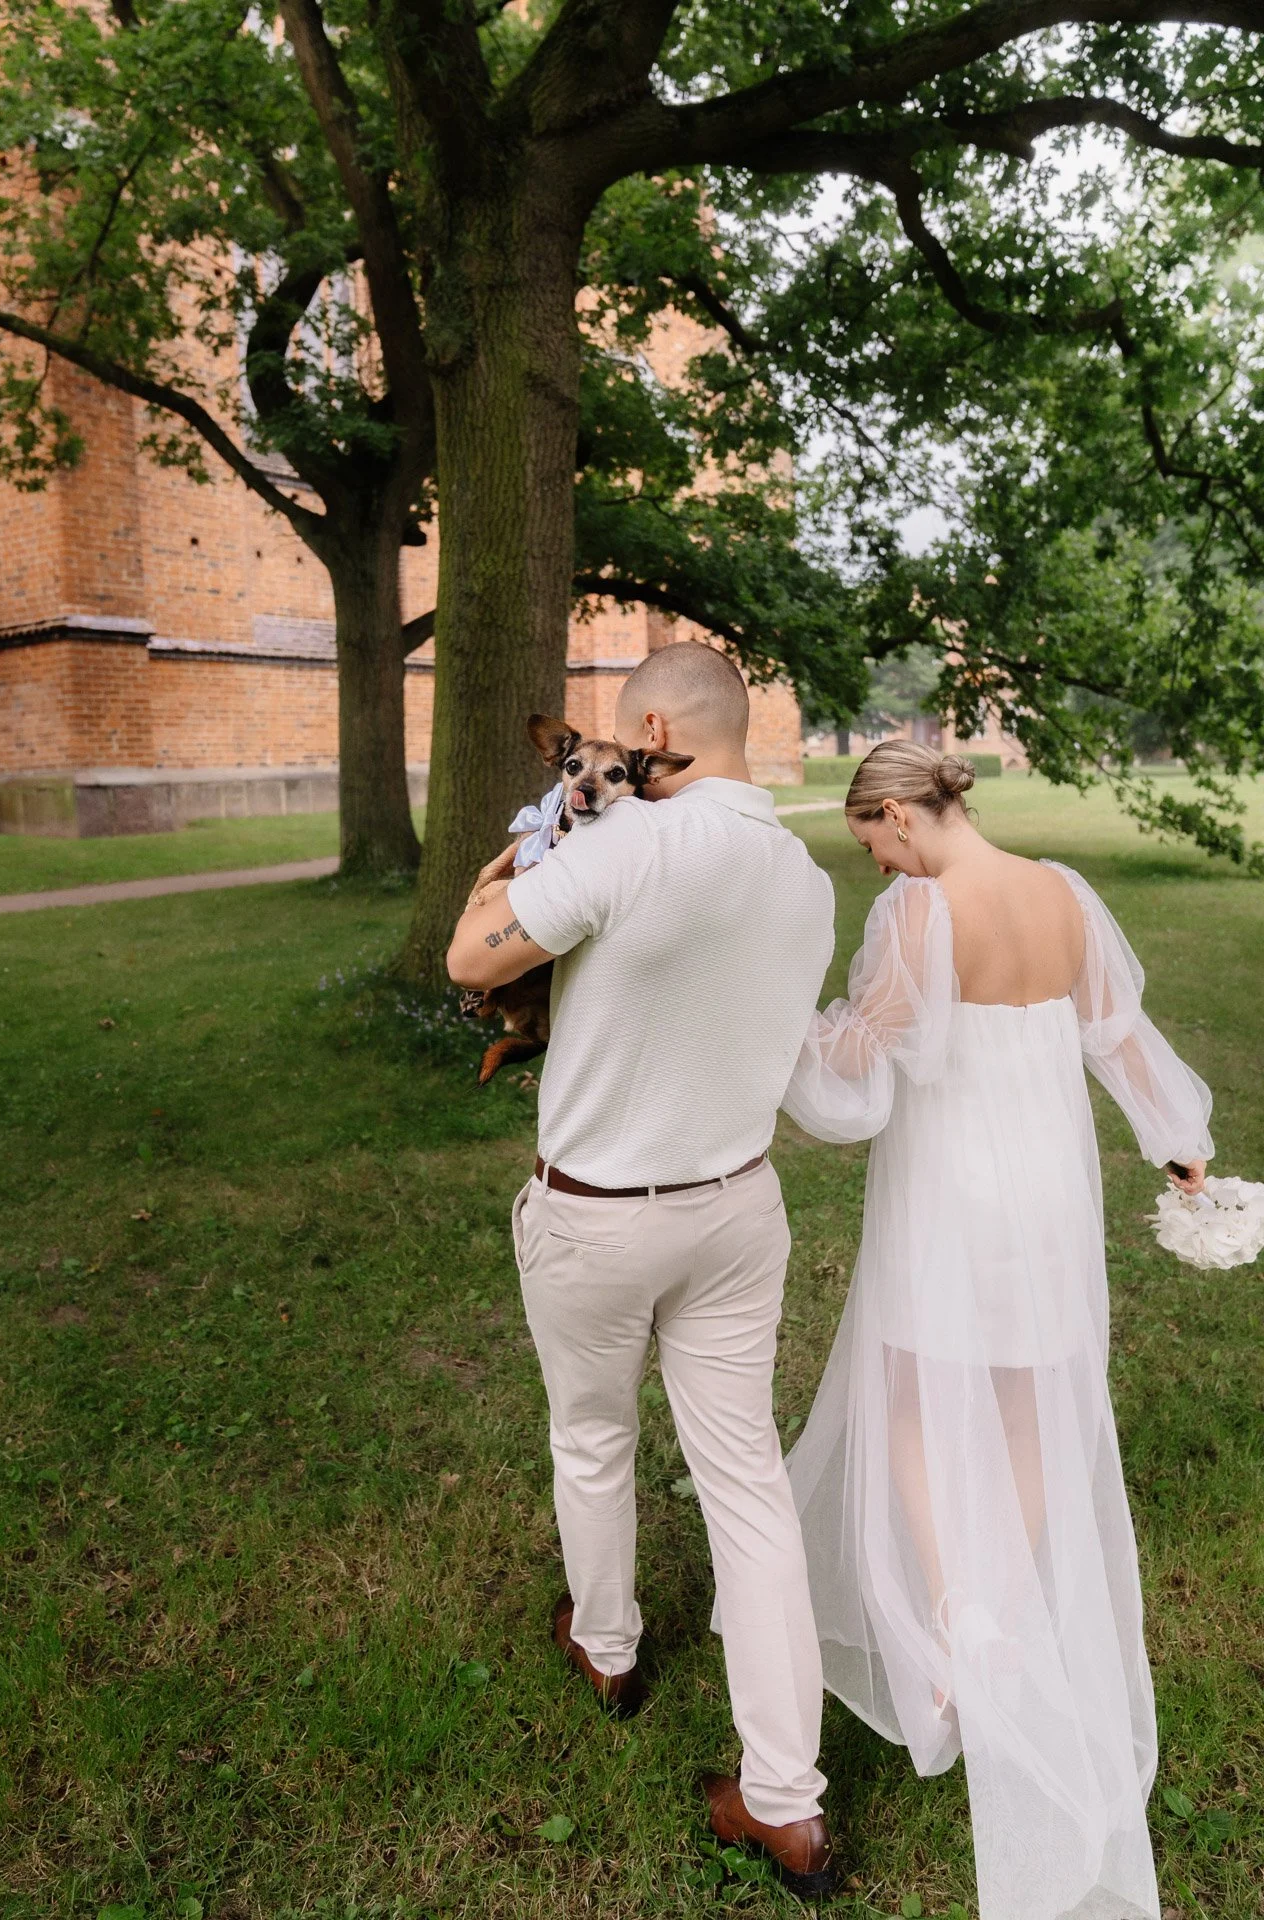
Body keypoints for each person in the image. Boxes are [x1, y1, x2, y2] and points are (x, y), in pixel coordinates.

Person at [780, 739, 1213, 1920]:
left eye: (867, 843)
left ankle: (955, 1637)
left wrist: (778, 1040)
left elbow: (862, 1068)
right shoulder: (1065, 893)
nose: (871, 866)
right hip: (1049, 1196)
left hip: (951, 1191)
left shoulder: (919, 912)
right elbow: (1118, 1035)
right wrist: (1178, 1142)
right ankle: (1001, 1613)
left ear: (896, 815)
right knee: (1024, 1407)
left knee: (911, 1398)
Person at [447, 642, 841, 1897]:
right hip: (737, 1208)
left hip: (600, 1219)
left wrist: (500, 873)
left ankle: (609, 1645)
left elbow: (472, 964)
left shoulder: (620, 847)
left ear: (655, 725)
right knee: (747, 1484)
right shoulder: (802, 875)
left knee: (592, 1440)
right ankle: (785, 1802)